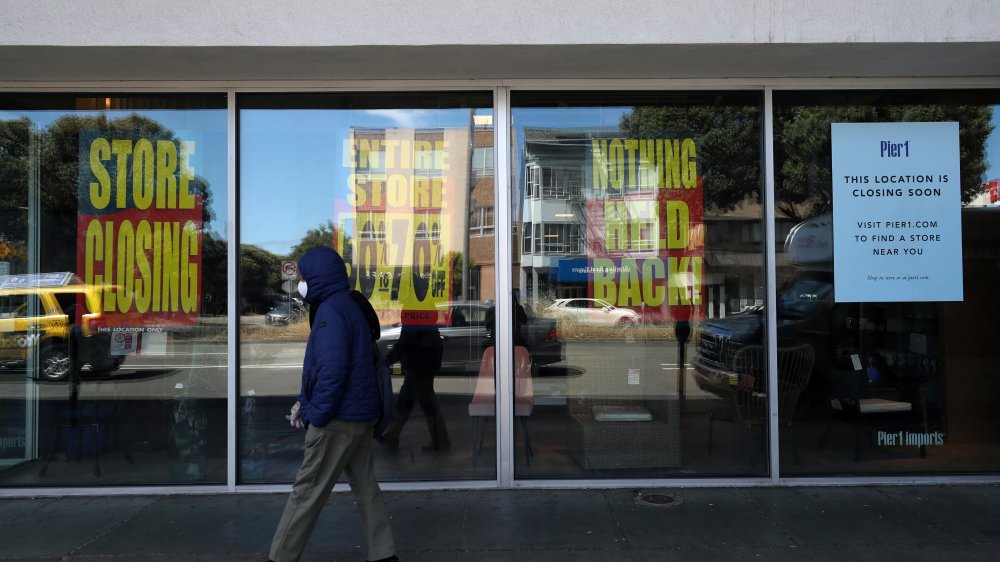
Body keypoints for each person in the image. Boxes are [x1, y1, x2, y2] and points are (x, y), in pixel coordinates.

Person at [269, 247, 398, 562]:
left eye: (304, 278)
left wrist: (314, 412)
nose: (301, 284)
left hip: (338, 420)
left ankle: (280, 557)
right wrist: (305, 401)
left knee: (307, 491)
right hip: (361, 415)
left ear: (317, 278)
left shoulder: (329, 312)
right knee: (365, 486)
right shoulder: (349, 305)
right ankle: (384, 553)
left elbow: (331, 372)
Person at [378, 322, 448, 450]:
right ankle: (440, 441)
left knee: (406, 402)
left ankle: (391, 437)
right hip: (425, 365)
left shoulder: (413, 319)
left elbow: (404, 344)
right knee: (422, 401)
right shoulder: (427, 318)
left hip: (416, 367)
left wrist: (388, 360)